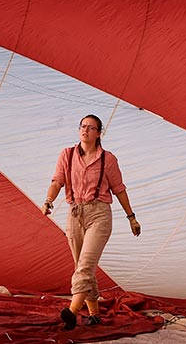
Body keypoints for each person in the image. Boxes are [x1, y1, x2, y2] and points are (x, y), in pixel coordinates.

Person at [42, 114, 140, 330]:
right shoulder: (66, 155)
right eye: (82, 126)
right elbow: (57, 180)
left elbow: (119, 189)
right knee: (82, 266)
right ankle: (94, 314)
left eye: (90, 127)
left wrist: (131, 217)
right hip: (75, 213)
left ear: (98, 133)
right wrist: (49, 200)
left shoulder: (108, 159)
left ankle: (72, 312)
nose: (85, 130)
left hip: (99, 214)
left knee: (85, 265)